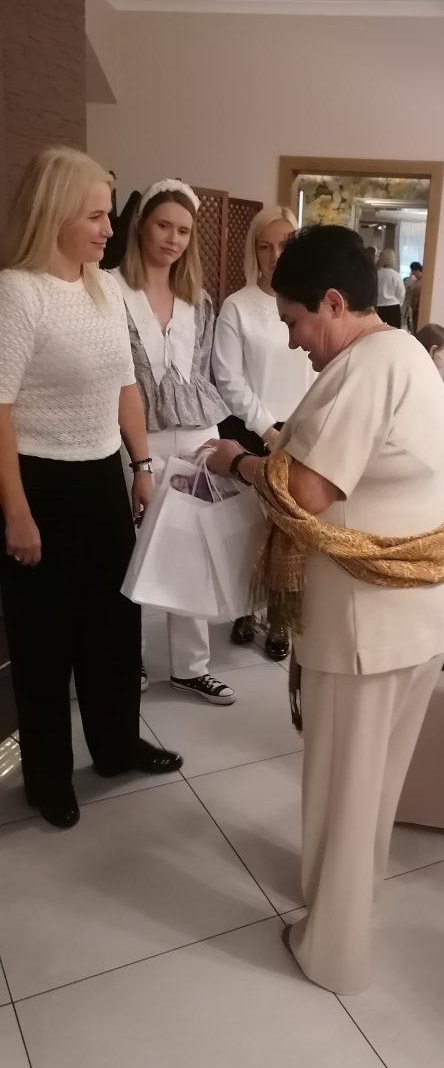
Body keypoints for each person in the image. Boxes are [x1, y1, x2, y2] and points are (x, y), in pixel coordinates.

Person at [206, 225, 444, 994]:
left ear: (331, 302)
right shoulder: (407, 353)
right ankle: (345, 891)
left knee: (347, 786)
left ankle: (334, 951)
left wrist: (237, 460)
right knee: (372, 782)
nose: (292, 340)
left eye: (294, 321)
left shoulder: (366, 365)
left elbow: (305, 491)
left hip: (367, 624)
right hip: (417, 614)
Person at [0, 148, 183, 830]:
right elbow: (0, 410)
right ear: (55, 214)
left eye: (109, 214)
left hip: (103, 476)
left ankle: (115, 746)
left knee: (113, 626)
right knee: (44, 640)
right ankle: (47, 777)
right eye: (96, 215)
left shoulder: (104, 288)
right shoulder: (17, 292)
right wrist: (16, 512)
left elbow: (125, 387)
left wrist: (142, 466)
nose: (111, 229)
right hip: (39, 483)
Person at [113, 180, 235, 706]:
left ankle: (191, 666)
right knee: (133, 549)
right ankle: (129, 659)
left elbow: (200, 372)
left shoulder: (199, 301)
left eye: (183, 231)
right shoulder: (108, 290)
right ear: (141, 225)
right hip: (136, 436)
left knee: (193, 549)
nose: (173, 239)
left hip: (197, 433)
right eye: (164, 225)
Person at [213, 205, 313, 660]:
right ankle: (244, 609)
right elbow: (228, 378)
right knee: (250, 529)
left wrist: (300, 428)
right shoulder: (238, 306)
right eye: (265, 246)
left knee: (290, 533)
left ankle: (280, 620)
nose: (275, 255)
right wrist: (268, 429)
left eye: (285, 245)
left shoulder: (312, 302)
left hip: (303, 429)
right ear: (253, 251)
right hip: (253, 429)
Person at [375, 247, 405, 328]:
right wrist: (398, 302)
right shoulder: (396, 275)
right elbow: (401, 293)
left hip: (378, 307)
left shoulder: (376, 274)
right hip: (393, 307)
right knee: (393, 333)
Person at [402, 261, 423, 333]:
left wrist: (408, 289)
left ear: (417, 270)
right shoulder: (416, 281)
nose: (412, 273)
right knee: (412, 326)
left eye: (413, 271)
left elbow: (416, 290)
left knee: (416, 326)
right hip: (414, 307)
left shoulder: (422, 281)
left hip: (418, 307)